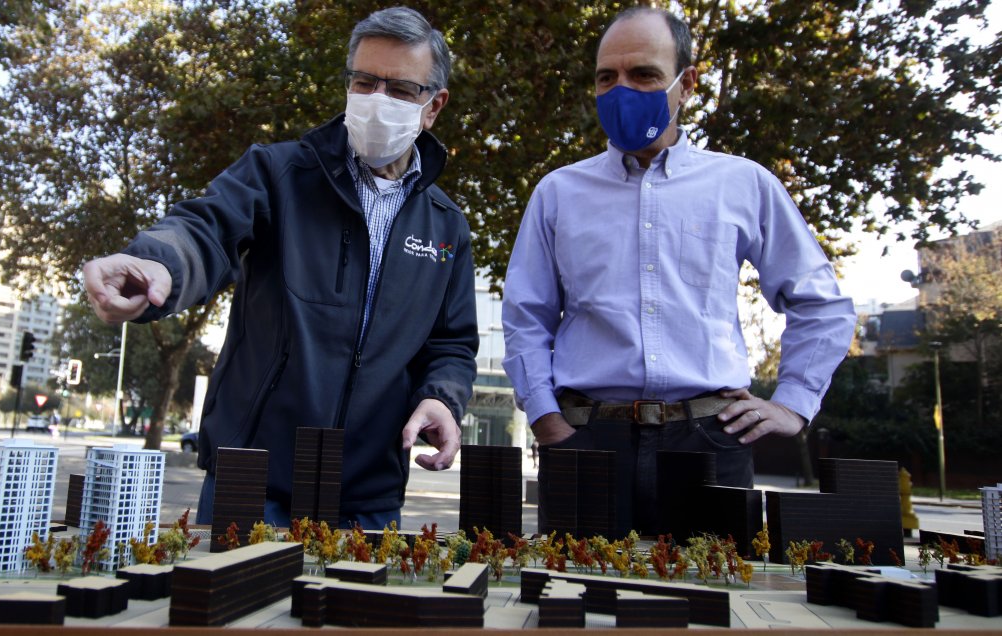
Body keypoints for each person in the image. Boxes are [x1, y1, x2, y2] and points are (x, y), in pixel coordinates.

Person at [82, 6, 478, 530]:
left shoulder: (447, 226)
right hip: (252, 478)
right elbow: (207, 227)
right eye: (365, 82)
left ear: (433, 107)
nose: (378, 100)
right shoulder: (278, 173)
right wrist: (157, 263)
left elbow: (452, 344)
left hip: (369, 496)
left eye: (401, 90)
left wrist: (441, 399)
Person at [502, 7, 856, 536]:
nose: (621, 90)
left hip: (710, 439)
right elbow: (525, 316)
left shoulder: (743, 185)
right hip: (588, 439)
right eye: (606, 77)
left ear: (686, 84)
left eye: (644, 74)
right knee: (574, 585)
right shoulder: (558, 193)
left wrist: (793, 403)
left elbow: (822, 304)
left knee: (715, 587)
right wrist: (546, 419)